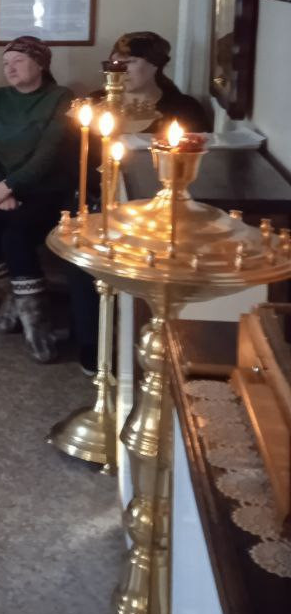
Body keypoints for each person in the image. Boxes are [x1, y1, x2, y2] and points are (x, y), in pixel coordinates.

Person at [69, 31, 211, 372]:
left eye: (130, 62)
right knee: (83, 258)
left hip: (153, 205)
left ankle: (147, 337)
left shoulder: (182, 109)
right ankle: (92, 340)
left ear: (156, 65)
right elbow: (76, 157)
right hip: (99, 197)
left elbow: (192, 162)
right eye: (114, 61)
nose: (119, 69)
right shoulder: (96, 103)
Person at [0, 36, 74, 363]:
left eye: (18, 61)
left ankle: (36, 324)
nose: (10, 68)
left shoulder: (61, 97)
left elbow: (49, 152)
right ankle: (13, 294)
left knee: (16, 236)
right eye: (5, 63)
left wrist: (11, 185)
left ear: (40, 64)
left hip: (45, 190)